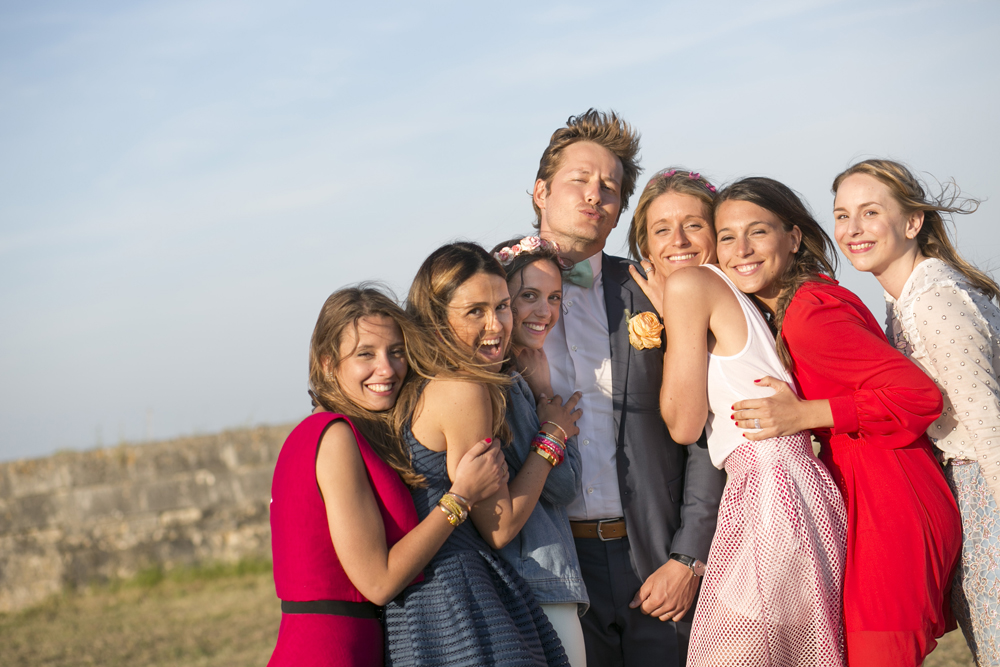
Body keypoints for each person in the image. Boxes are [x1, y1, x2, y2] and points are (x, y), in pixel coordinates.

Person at [718, 177, 962, 666]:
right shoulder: (791, 308)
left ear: (793, 237)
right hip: (869, 495)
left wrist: (806, 414)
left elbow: (919, 396)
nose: (741, 249)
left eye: (758, 232)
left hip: (890, 502)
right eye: (727, 236)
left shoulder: (809, 314)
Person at [629, 168, 847, 666]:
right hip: (799, 491)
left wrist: (670, 324)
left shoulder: (690, 286)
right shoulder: (742, 297)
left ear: (716, 229)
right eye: (661, 229)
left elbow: (683, 424)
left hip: (767, 495)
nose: (678, 241)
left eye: (695, 226)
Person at [532, 110, 726, 667]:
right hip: (550, 559)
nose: (596, 195)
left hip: (654, 558)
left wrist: (688, 558)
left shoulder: (654, 290)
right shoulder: (491, 293)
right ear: (541, 191)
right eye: (580, 181)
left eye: (611, 188)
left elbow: (707, 428)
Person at [267, 286, 507, 667]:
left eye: (396, 352)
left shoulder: (317, 432)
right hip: (331, 651)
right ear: (328, 362)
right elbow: (379, 582)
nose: (388, 369)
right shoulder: (334, 437)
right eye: (366, 354)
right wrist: (460, 497)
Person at [832, 158, 1000, 665]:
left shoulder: (934, 299)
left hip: (986, 489)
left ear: (911, 222)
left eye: (870, 212)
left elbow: (990, 425)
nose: (853, 229)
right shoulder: (902, 299)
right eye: (842, 215)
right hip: (966, 492)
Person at [384, 242, 571, 667]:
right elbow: (499, 526)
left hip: (419, 603)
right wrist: (552, 439)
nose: (497, 325)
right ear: (436, 319)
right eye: (475, 312)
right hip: (462, 602)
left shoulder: (416, 383)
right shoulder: (464, 389)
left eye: (502, 307)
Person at [491, 235, 589, 666]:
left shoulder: (519, 378)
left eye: (553, 297)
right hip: (538, 577)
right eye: (528, 295)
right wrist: (547, 394)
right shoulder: (510, 386)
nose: (544, 311)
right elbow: (565, 485)